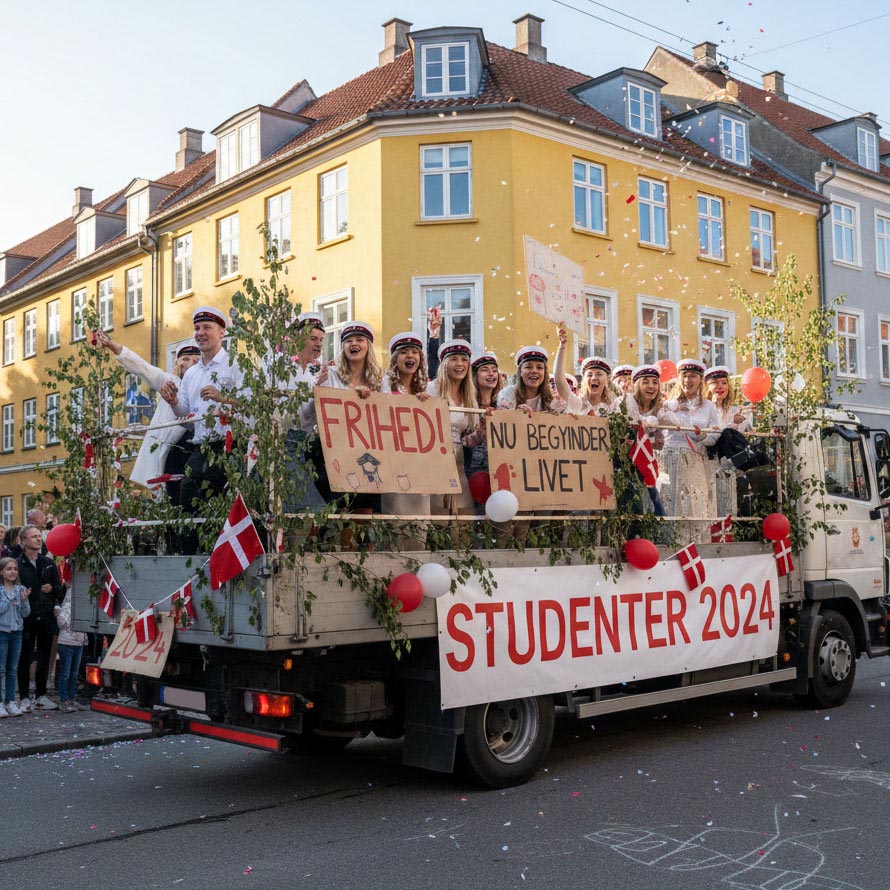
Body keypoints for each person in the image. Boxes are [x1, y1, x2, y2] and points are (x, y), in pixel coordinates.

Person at [160, 306, 247, 516]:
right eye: (197, 328)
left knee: (226, 508)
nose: (200, 333)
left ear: (222, 332)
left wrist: (223, 399)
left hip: (231, 447)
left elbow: (251, 406)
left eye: (207, 327)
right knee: (189, 499)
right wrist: (173, 402)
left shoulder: (236, 365)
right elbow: (187, 419)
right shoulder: (192, 374)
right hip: (201, 447)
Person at [96, 330, 200, 498]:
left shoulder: (206, 382)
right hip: (173, 449)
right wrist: (114, 347)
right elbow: (143, 368)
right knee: (174, 493)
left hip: (198, 445)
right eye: (185, 359)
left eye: (195, 360)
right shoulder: (170, 382)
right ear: (178, 362)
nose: (190, 363)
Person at [301, 321, 383, 513]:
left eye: (359, 340)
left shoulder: (380, 379)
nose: (353, 344)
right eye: (348, 341)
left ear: (368, 346)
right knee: (334, 513)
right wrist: (317, 390)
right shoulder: (330, 374)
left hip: (368, 455)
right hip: (334, 456)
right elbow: (308, 417)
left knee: (364, 512)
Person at [658, 359, 720, 541]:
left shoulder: (709, 407)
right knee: (670, 499)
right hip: (670, 458)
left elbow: (716, 434)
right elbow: (660, 432)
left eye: (692, 376)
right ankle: (669, 541)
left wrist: (702, 436)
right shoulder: (668, 404)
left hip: (694, 460)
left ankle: (695, 543)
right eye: (684, 376)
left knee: (694, 502)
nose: (687, 380)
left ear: (700, 380)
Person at [380, 332, 432, 539]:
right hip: (394, 460)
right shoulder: (386, 383)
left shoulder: (426, 387)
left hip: (419, 463)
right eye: (404, 352)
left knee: (420, 522)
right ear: (395, 359)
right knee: (396, 518)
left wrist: (426, 404)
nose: (410, 356)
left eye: (414, 352)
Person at [279, 311, 327, 513]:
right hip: (283, 444)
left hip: (307, 445)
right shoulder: (280, 366)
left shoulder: (320, 373)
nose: (318, 344)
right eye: (313, 338)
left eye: (321, 340)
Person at [428, 339, 482, 515]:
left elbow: (467, 440)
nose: (460, 364)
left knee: (465, 515)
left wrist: (480, 434)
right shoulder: (432, 389)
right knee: (439, 515)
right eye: (454, 359)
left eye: (464, 359)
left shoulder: (469, 396)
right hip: (435, 461)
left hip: (458, 463)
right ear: (444, 364)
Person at [16, 524, 63, 711]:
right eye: (33, 536)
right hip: (26, 617)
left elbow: (59, 589)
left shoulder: (48, 563)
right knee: (25, 657)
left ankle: (41, 695)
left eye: (39, 536)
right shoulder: (17, 564)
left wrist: (52, 589)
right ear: (23, 541)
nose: (38, 539)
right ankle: (24, 696)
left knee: (44, 656)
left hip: (46, 616)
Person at [705, 365, 753, 517]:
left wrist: (744, 419)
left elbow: (739, 436)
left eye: (724, 383)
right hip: (708, 461)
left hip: (727, 465)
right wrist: (731, 423)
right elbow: (712, 433)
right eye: (715, 383)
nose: (720, 387)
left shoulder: (733, 410)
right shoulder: (704, 408)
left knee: (727, 503)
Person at [626, 364, 671, 515]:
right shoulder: (626, 403)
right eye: (645, 382)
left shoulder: (661, 408)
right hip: (630, 463)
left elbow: (673, 426)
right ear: (637, 385)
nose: (651, 386)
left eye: (655, 382)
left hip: (652, 464)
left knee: (652, 506)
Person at [0, 557, 30, 717]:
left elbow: (26, 613)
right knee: (0, 669)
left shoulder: (21, 589)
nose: (12, 572)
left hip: (17, 632)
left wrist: (23, 600)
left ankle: (10, 701)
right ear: (1, 572)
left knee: (12, 669)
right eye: (9, 569)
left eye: (15, 569)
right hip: (2, 632)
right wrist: (10, 600)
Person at [497, 346, 556, 414]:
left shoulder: (552, 396)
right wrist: (516, 414)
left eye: (539, 367)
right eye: (528, 367)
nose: (534, 371)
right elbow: (502, 417)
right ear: (520, 372)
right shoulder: (508, 393)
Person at [53, 589, 86, 713]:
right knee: (65, 673)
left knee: (74, 673)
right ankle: (64, 699)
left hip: (79, 642)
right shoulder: (67, 606)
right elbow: (62, 623)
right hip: (66, 642)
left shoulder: (83, 608)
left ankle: (72, 698)